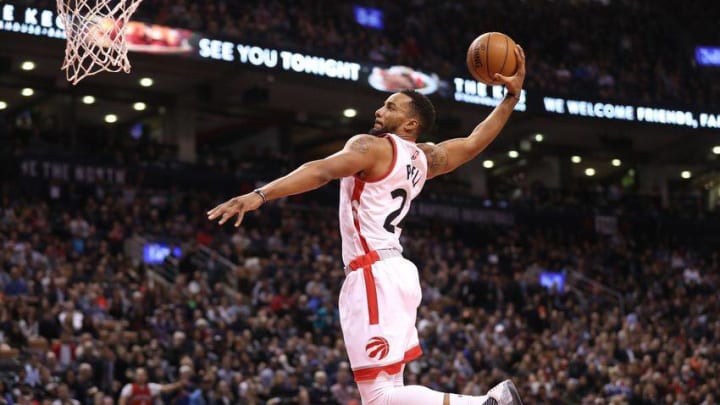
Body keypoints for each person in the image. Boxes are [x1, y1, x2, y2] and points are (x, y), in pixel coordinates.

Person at [208, 45, 527, 405]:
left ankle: (488, 403)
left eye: (391, 106)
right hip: (398, 272)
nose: (380, 109)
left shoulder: (371, 147)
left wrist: (259, 195)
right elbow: (471, 144)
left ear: (410, 124)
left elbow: (320, 170)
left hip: (372, 272)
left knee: (377, 396)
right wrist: (510, 98)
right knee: (390, 391)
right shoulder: (423, 159)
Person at [117, 367, 187, 405]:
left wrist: (179, 384)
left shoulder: (151, 387)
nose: (140, 377)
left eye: (142, 375)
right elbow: (122, 401)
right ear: (135, 376)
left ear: (146, 377)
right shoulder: (129, 387)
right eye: (139, 375)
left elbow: (166, 388)